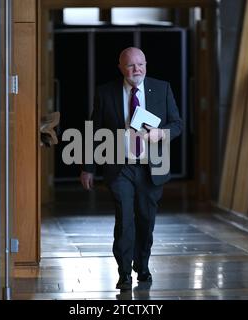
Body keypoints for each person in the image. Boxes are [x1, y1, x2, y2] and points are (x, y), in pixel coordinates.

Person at [80, 47, 183, 290]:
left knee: (146, 220)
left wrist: (162, 133)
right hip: (120, 168)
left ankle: (143, 265)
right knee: (125, 219)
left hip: (151, 168)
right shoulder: (105, 93)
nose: (136, 70)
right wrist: (88, 168)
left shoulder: (162, 88)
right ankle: (124, 272)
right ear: (120, 67)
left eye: (140, 65)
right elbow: (93, 131)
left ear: (146, 65)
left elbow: (177, 123)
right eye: (130, 65)